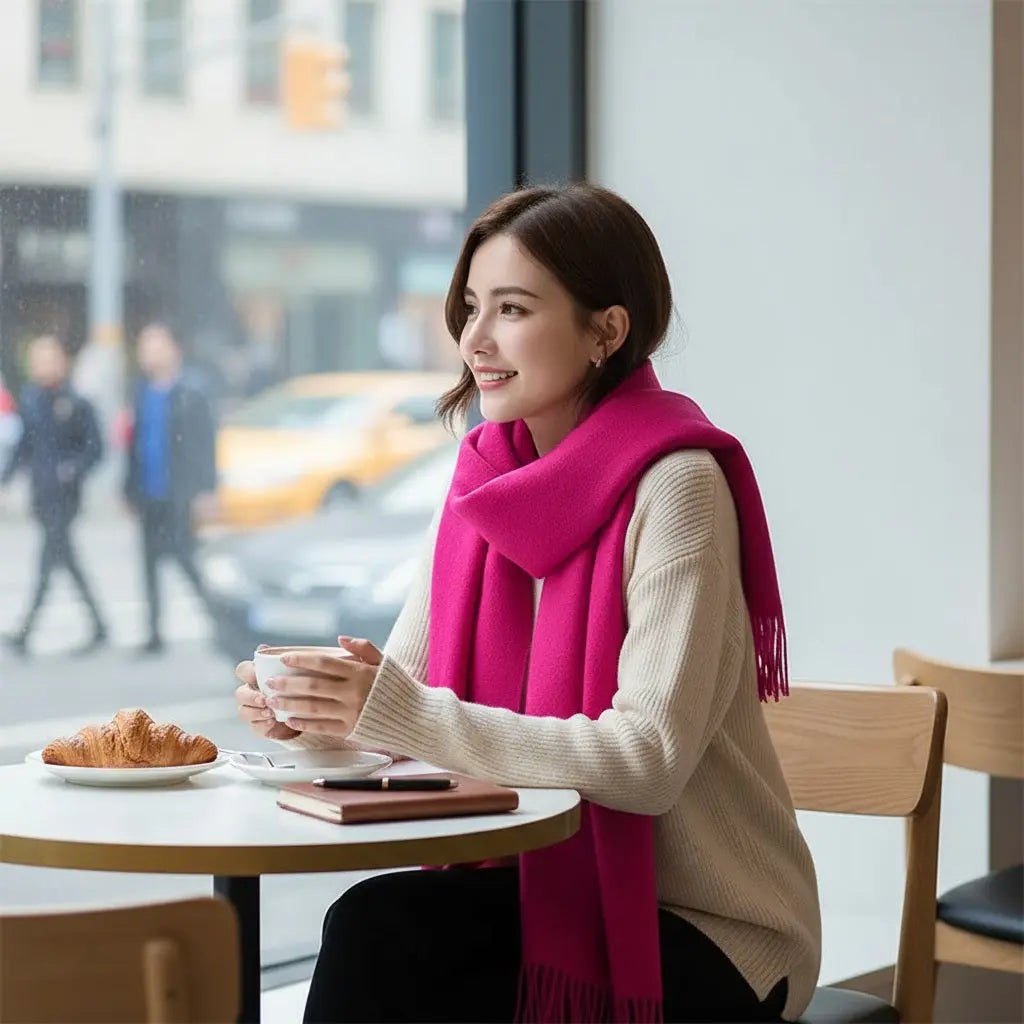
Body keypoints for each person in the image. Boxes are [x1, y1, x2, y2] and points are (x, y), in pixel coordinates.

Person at [233, 184, 822, 1023]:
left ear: (605, 332)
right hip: (542, 890)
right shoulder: (482, 486)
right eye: (471, 307)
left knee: (381, 944)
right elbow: (405, 700)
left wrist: (390, 708)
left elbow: (646, 761)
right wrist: (318, 713)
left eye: (511, 309)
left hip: (715, 928)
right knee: (374, 927)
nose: (475, 339)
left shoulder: (677, 486)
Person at [1, 335, 108, 656]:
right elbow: (24, 446)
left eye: (49, 359)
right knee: (65, 560)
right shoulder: (31, 399)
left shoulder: (77, 401)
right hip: (41, 493)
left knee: (48, 561)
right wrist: (5, 479)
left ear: (63, 361)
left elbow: (94, 449)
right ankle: (99, 624)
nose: (43, 366)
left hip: (66, 497)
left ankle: (26, 630)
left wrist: (71, 470)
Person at [124, 322, 217, 655]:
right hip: (149, 492)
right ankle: (153, 633)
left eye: (155, 345)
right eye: (144, 346)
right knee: (148, 565)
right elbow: (134, 445)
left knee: (186, 561)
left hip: (179, 493)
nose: (148, 353)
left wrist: (206, 490)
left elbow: (204, 445)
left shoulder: (191, 392)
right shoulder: (141, 393)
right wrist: (128, 488)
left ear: (173, 350)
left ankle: (220, 621)